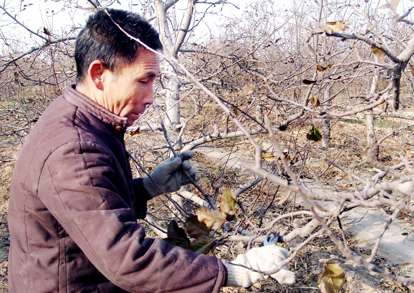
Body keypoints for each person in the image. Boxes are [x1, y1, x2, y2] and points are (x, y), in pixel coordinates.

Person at [7, 8, 295, 292]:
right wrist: (236, 272)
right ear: (99, 74)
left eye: (154, 82)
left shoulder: (80, 117)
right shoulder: (73, 148)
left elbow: (89, 207)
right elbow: (128, 258)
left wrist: (147, 188)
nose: (150, 97)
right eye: (142, 81)